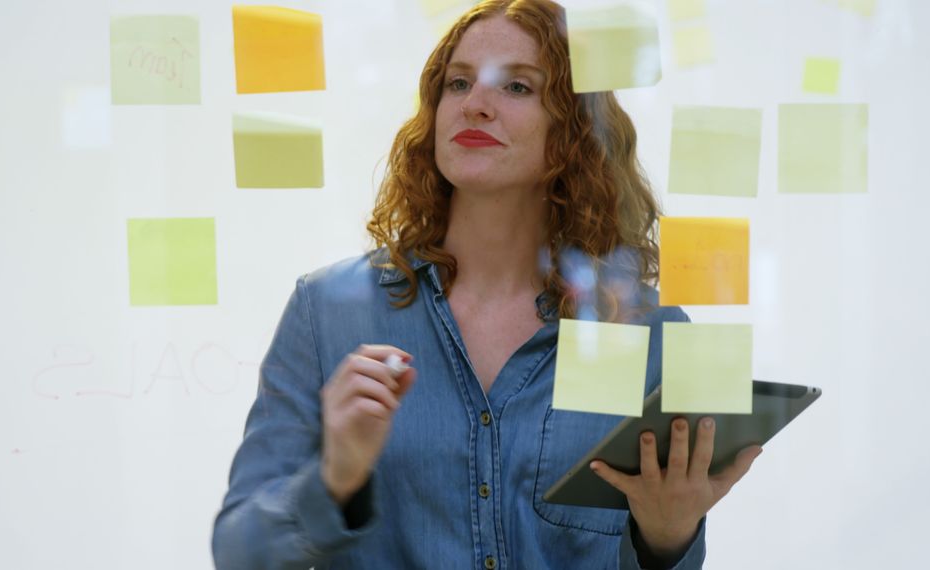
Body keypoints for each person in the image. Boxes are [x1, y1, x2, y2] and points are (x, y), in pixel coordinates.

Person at [211, 1, 761, 568]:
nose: (475, 105)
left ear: (574, 126)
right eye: (459, 82)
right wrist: (333, 481)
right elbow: (239, 553)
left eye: (517, 87)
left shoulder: (651, 336)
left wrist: (667, 539)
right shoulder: (324, 311)